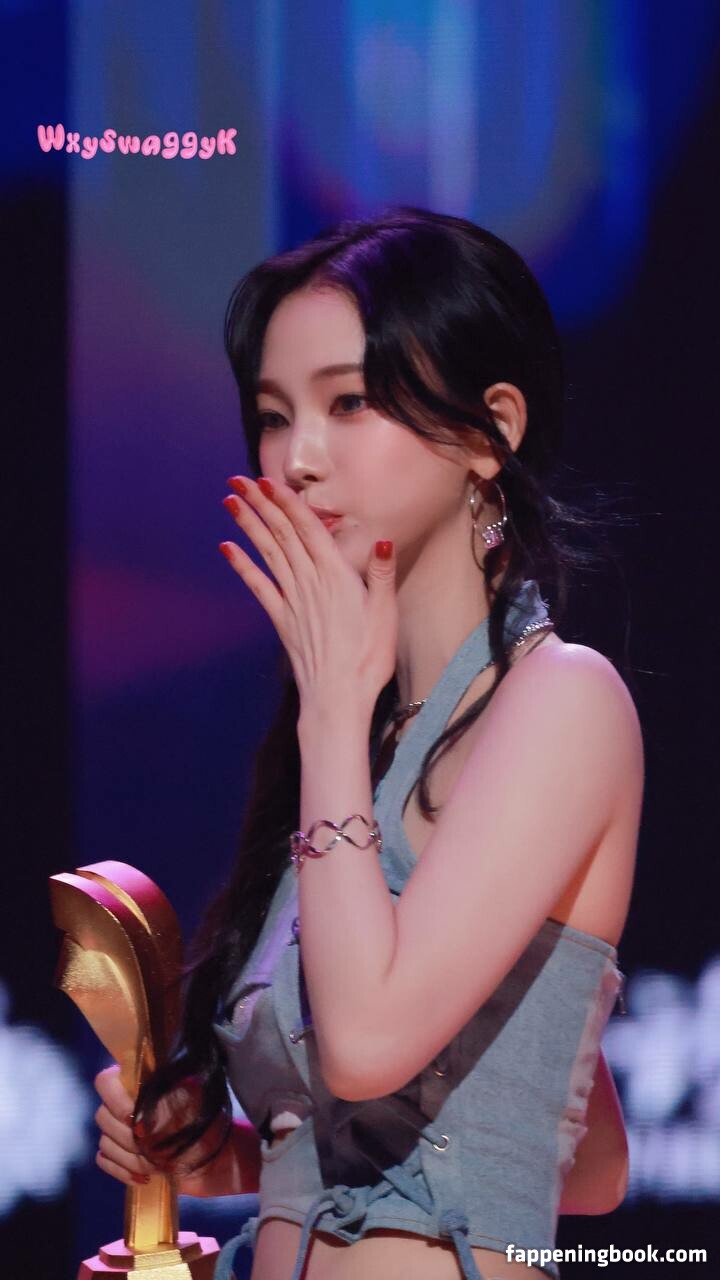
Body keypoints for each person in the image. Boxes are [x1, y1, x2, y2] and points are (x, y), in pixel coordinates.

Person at [93, 207, 643, 1280]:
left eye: (348, 401)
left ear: (489, 432)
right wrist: (230, 1152)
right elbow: (590, 1157)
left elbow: (369, 1041)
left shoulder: (562, 700)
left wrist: (334, 719)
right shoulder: (366, 738)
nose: (296, 459)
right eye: (273, 415)